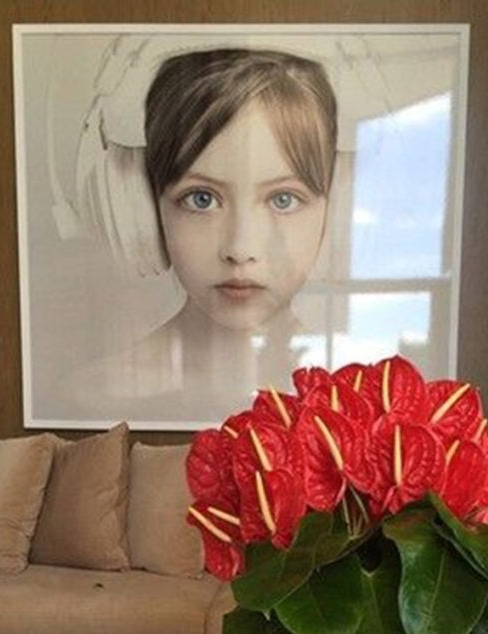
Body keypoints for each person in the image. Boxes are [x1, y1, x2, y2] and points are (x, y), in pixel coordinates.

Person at [68, 46, 338, 425]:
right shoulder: (94, 398)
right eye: (201, 199)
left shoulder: (357, 408)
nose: (240, 249)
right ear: (144, 211)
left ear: (333, 210)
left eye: (283, 199)